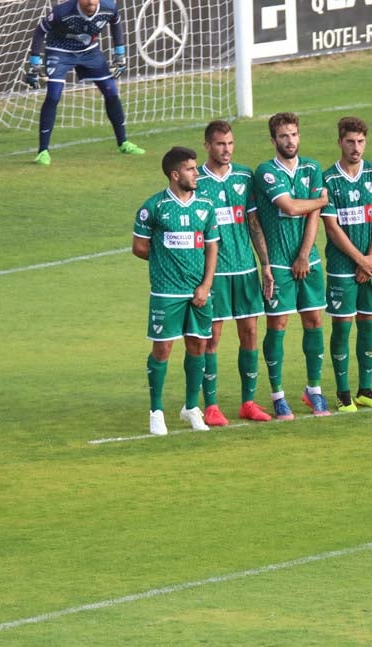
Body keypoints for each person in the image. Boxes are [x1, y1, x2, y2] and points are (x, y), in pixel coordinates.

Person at [132, 147, 219, 435]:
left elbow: (212, 247)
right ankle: (156, 411)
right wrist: (165, 262)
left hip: (199, 291)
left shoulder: (205, 206)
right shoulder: (154, 207)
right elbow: (140, 247)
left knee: (199, 347)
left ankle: (191, 407)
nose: (197, 173)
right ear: (175, 174)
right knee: (162, 349)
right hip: (166, 292)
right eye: (191, 169)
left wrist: (206, 285)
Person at [253, 112, 331, 419]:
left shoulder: (312, 168)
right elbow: (291, 207)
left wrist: (304, 255)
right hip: (279, 264)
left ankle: (314, 391)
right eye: (284, 136)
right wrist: (322, 202)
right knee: (278, 325)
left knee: (314, 321)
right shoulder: (266, 172)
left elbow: (310, 216)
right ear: (274, 140)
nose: (290, 141)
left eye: (294, 134)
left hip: (307, 260)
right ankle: (278, 395)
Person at [195, 120, 273, 426]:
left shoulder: (244, 176)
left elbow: (253, 223)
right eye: (219, 144)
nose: (226, 150)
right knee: (211, 338)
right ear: (207, 146)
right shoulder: (197, 180)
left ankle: (248, 402)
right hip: (214, 274)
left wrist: (264, 265)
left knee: (250, 333)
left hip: (245, 269)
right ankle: (211, 406)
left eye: (230, 143)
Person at [321, 117, 372, 413]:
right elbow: (332, 227)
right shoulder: (328, 179)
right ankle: (343, 392)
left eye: (361, 141)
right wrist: (359, 259)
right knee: (342, 325)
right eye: (350, 141)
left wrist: (371, 259)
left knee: (369, 322)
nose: (356, 147)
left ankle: (365, 389)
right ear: (340, 142)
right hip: (341, 265)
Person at [24, 0, 145, 165]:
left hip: (89, 51)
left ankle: (123, 143)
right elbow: (40, 31)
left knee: (111, 91)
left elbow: (116, 22)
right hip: (60, 51)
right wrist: (34, 62)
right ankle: (43, 151)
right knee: (53, 96)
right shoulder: (62, 12)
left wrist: (120, 54)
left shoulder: (109, 7)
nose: (90, 2)